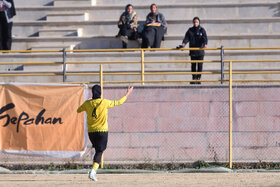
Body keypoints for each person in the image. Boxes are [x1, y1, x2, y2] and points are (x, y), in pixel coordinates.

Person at [77, 85, 134, 181]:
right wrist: (128, 93)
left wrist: (88, 102)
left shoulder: (87, 104)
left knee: (98, 151)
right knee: (100, 151)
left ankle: (93, 170)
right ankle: (93, 172)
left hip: (91, 132)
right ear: (100, 93)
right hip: (102, 131)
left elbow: (78, 110)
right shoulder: (104, 102)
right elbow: (119, 102)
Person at [178, 17, 208, 84]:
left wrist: (205, 44)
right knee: (193, 65)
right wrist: (183, 44)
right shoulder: (190, 30)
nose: (195, 23)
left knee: (200, 65)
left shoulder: (202, 30)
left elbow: (205, 38)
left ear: (199, 22)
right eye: (194, 22)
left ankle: (198, 78)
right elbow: (186, 38)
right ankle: (194, 78)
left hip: (200, 51)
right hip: (193, 51)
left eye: (197, 22)